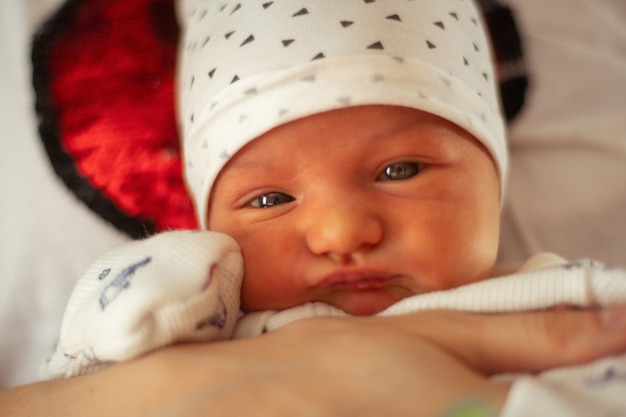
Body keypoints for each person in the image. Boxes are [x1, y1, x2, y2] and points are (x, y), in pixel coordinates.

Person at [4, 0, 626, 415]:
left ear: (494, 175)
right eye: (269, 199)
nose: (340, 231)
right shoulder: (206, 322)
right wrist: (163, 283)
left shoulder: (563, 303)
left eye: (400, 170)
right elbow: (89, 354)